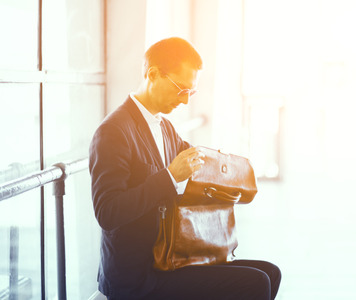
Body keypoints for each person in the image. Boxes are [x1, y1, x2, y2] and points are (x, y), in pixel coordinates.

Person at [89, 37, 281, 300]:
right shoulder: (113, 131)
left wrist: (235, 173)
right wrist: (169, 178)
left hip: (172, 257)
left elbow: (197, 163)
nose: (186, 101)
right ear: (153, 74)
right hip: (139, 276)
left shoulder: (165, 128)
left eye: (192, 92)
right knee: (255, 282)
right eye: (182, 89)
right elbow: (107, 212)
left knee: (271, 272)